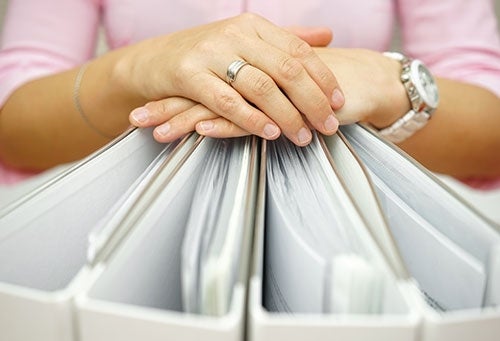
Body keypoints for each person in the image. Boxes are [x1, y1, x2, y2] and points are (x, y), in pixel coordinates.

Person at [0, 0, 499, 188]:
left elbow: (490, 125)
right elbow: (12, 122)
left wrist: (388, 83)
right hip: (139, 223)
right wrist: (132, 70)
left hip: (357, 225)